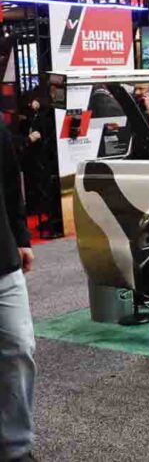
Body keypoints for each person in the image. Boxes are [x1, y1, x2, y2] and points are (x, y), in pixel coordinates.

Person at [0, 117, 35, 462]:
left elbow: (10, 185)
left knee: (19, 347)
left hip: (3, 259)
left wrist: (22, 239)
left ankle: (15, 448)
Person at [20, 94, 59, 239]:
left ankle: (52, 220)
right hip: (37, 159)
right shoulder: (35, 115)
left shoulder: (47, 115)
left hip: (45, 158)